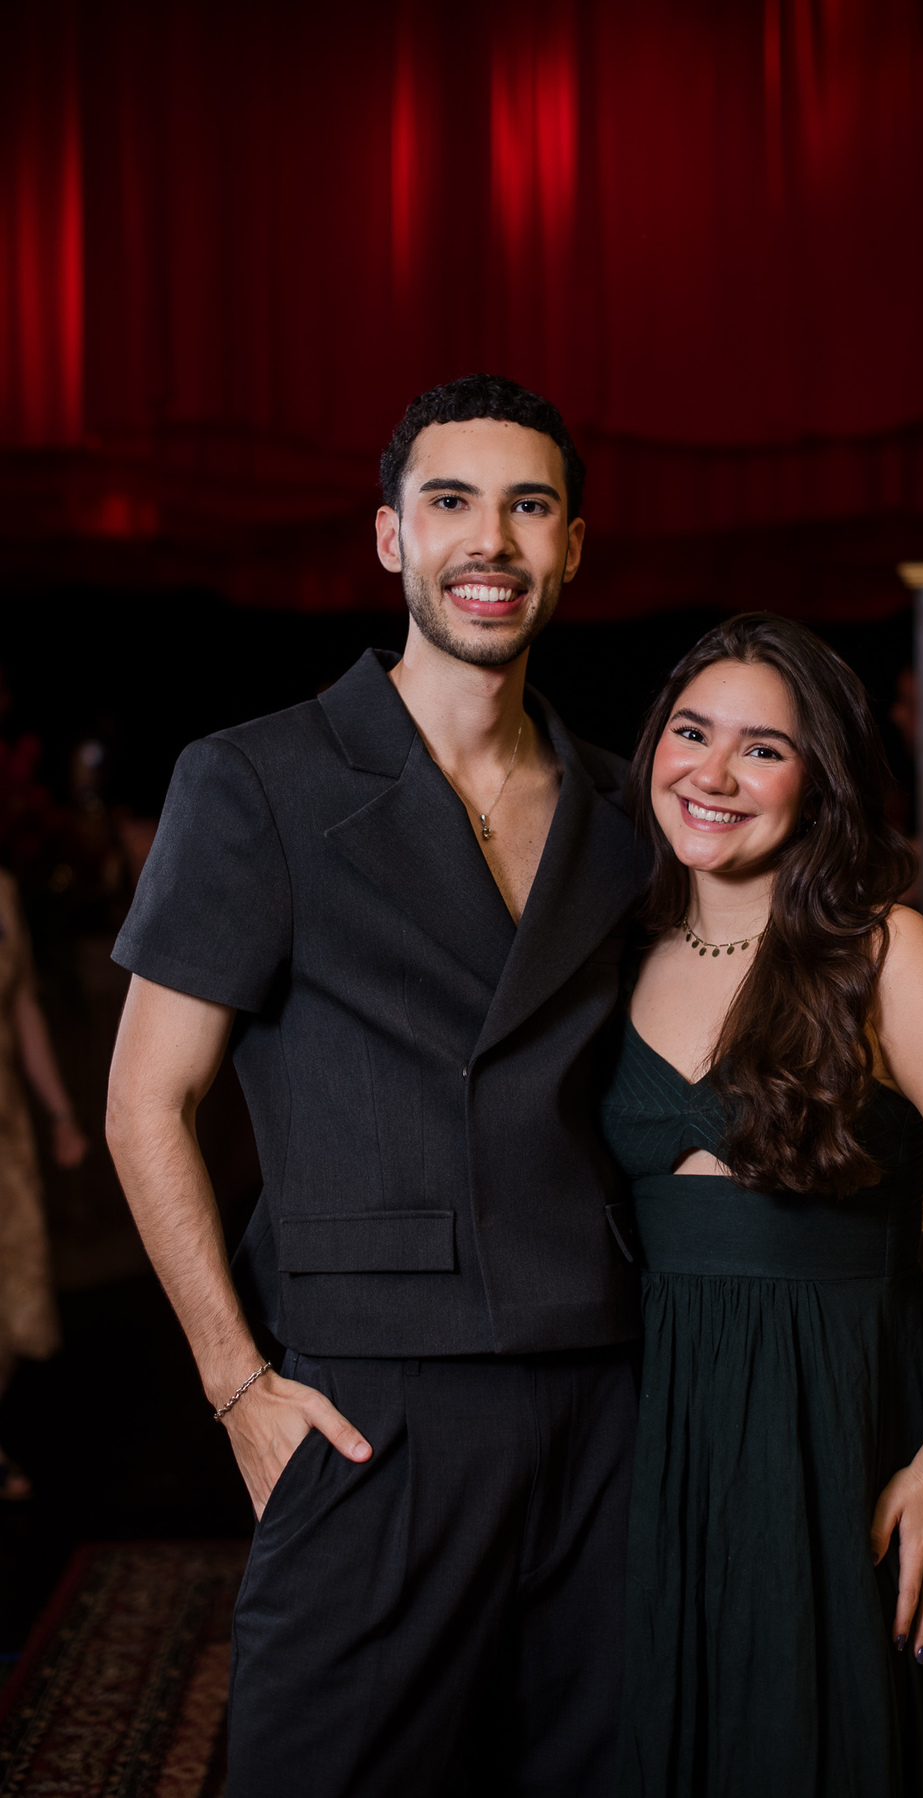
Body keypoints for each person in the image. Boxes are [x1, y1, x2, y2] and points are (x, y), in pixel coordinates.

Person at [105, 375, 644, 1797]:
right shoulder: (258, 779)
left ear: (573, 546)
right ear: (393, 538)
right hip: (370, 1390)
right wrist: (238, 1386)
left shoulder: (623, 805)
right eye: (452, 502)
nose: (492, 540)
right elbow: (145, 1102)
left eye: (529, 506)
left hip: (606, 1376)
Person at [599, 613, 923, 1795]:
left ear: (818, 781)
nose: (712, 773)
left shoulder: (883, 954)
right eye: (691, 732)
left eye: (762, 749)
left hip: (837, 1418)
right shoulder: (617, 949)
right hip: (660, 1421)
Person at [0, 869, 88, 1498]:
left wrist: (60, 1114)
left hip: (6, 1130)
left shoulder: (3, 890)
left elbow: (22, 1004)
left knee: (11, 1288)